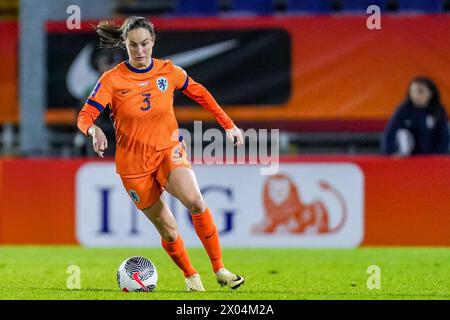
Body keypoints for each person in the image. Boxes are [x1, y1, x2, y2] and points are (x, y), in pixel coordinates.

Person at [77, 16, 245, 291]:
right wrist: (93, 129)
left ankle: (220, 269)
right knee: (168, 229)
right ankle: (191, 276)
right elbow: (85, 115)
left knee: (196, 202)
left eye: (144, 44)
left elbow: (200, 93)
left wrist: (229, 125)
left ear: (153, 42)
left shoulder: (169, 71)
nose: (140, 51)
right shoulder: (112, 79)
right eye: (133, 46)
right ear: (125, 46)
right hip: (133, 166)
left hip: (168, 151)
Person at [382, 77, 449, 156]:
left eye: (420, 91)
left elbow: (444, 135)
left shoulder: (438, 110)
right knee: (403, 133)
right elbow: (391, 131)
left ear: (431, 93)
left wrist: (439, 155)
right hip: (408, 155)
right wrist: (388, 154)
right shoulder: (404, 109)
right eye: (412, 91)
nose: (415, 95)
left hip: (432, 154)